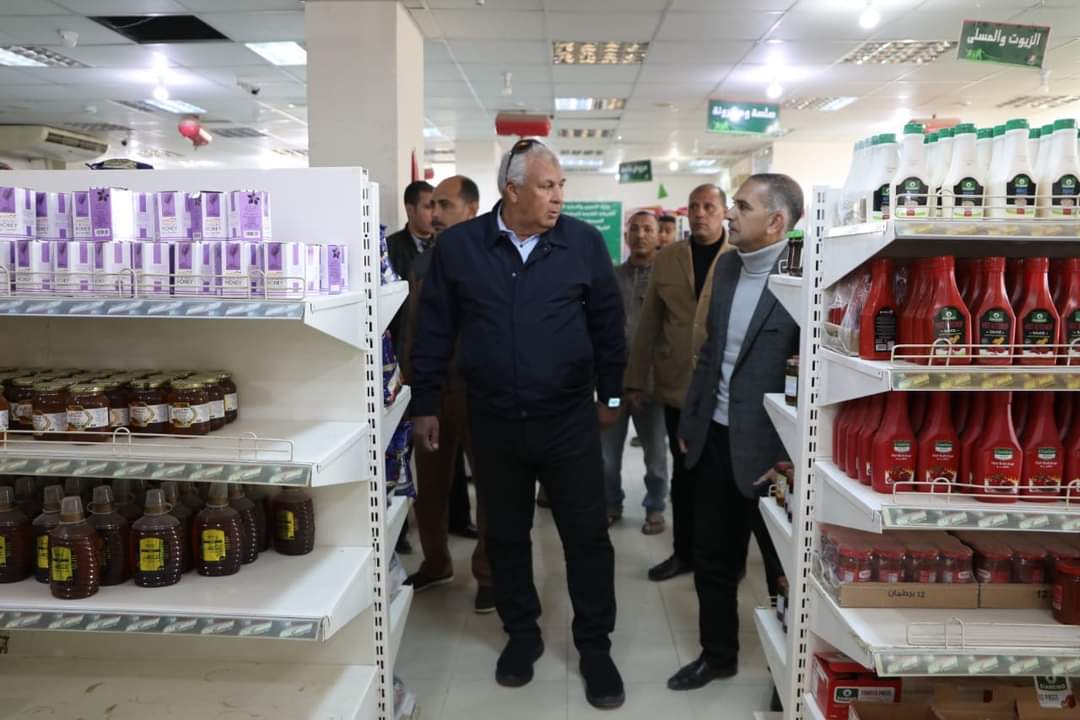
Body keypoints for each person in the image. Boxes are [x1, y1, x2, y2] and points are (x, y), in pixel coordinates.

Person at [411, 138, 627, 709]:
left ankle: (594, 647)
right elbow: (434, 328)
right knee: (505, 534)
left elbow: (609, 324)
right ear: (512, 190)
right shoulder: (461, 247)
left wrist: (610, 394)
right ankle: (522, 635)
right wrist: (425, 402)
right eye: (547, 186)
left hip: (567, 420)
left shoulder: (582, 243)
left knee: (587, 538)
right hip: (494, 420)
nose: (559, 197)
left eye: (561, 186)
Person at [668, 173, 801, 691]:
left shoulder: (805, 277)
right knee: (713, 560)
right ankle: (718, 655)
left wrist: (790, 454)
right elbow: (711, 351)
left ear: (776, 221)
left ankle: (787, 673)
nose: (728, 215)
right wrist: (692, 419)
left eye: (742, 207)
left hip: (775, 456)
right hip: (716, 440)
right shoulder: (727, 267)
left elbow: (809, 376)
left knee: (780, 568)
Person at [624, 184, 730, 582]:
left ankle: (720, 558)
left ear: (724, 212)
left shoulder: (738, 258)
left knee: (720, 478)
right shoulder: (668, 259)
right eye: (695, 206)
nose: (701, 213)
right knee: (684, 474)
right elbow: (650, 323)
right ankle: (683, 553)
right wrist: (635, 380)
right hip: (678, 387)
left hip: (724, 389)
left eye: (709, 207)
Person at [400, 175, 494, 614]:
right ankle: (436, 563)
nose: (434, 213)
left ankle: (489, 575)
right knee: (431, 488)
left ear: (472, 209)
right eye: (432, 204)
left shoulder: (492, 258)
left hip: (480, 392)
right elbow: (413, 330)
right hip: (433, 393)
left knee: (491, 489)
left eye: (445, 205)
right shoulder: (424, 261)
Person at [603, 210, 669, 532]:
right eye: (634, 229)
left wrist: (645, 381)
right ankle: (610, 504)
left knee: (655, 458)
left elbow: (670, 335)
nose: (640, 235)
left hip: (652, 387)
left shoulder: (667, 279)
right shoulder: (611, 277)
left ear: (658, 236)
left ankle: (655, 508)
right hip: (613, 385)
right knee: (606, 457)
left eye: (647, 229)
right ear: (626, 236)